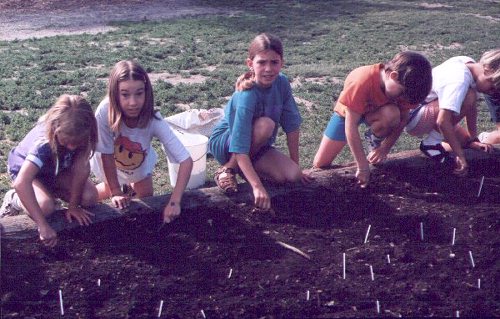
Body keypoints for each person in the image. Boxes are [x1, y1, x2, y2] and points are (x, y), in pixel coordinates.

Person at [209, 33, 310, 210]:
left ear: (282, 63)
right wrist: (257, 187)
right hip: (228, 143)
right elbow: (240, 145)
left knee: (290, 175)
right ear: (250, 64)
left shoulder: (282, 83)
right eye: (261, 62)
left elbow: (292, 126)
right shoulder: (247, 94)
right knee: (266, 125)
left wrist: (297, 165)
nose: (268, 69)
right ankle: (228, 169)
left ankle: (245, 169)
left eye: (274, 62)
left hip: (256, 145)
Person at [90, 60, 193, 224]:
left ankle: (129, 188)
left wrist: (174, 202)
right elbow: (106, 154)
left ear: (147, 92)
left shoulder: (154, 120)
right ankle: (119, 188)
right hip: (109, 163)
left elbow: (186, 161)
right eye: (125, 94)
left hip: (138, 165)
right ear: (114, 94)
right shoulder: (105, 111)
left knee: (146, 198)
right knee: (90, 198)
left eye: (139, 93)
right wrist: (115, 191)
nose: (133, 102)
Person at [313, 51, 433, 187]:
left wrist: (384, 148)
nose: (403, 99)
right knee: (320, 164)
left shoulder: (406, 87)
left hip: (379, 112)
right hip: (348, 114)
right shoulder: (362, 80)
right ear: (393, 76)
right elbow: (350, 126)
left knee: (392, 114)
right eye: (401, 94)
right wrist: (362, 165)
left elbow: (402, 121)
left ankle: (373, 138)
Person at [0, 95, 99, 247]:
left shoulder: (85, 134)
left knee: (89, 197)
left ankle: (48, 191)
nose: (72, 147)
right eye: (66, 142)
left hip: (56, 170)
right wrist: (43, 225)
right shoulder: (43, 144)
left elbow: (81, 168)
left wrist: (73, 206)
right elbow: (21, 182)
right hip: (27, 174)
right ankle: (14, 199)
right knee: (45, 207)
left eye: (76, 143)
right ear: (55, 128)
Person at [405, 49, 500, 175]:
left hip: (425, 111)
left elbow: (471, 108)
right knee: (469, 96)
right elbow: (442, 122)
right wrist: (460, 156)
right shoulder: (460, 79)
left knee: (465, 142)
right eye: (493, 87)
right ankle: (431, 143)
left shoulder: (468, 63)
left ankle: (438, 143)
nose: (492, 92)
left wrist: (473, 139)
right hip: (415, 116)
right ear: (487, 70)